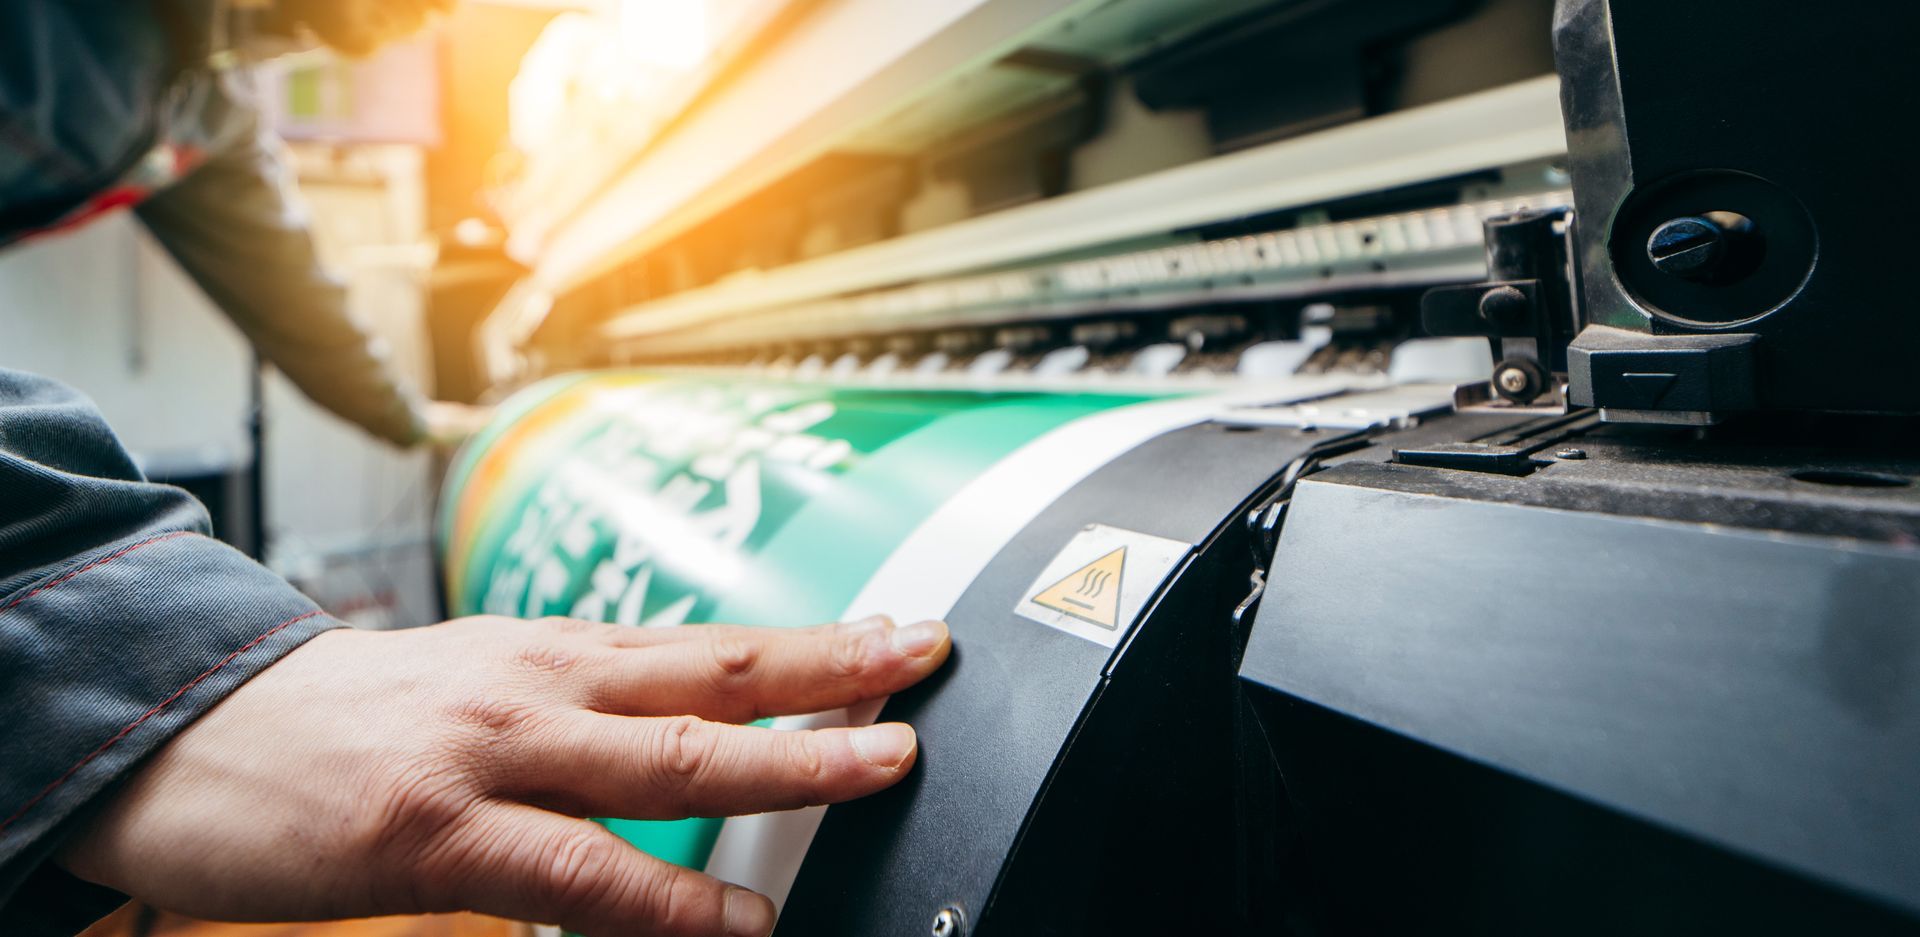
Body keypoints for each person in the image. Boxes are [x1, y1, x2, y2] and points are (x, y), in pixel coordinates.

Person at [1, 4, 951, 936]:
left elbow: (310, 316)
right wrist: (128, 659)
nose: (427, 18)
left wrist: (435, 424)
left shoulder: (202, 99)